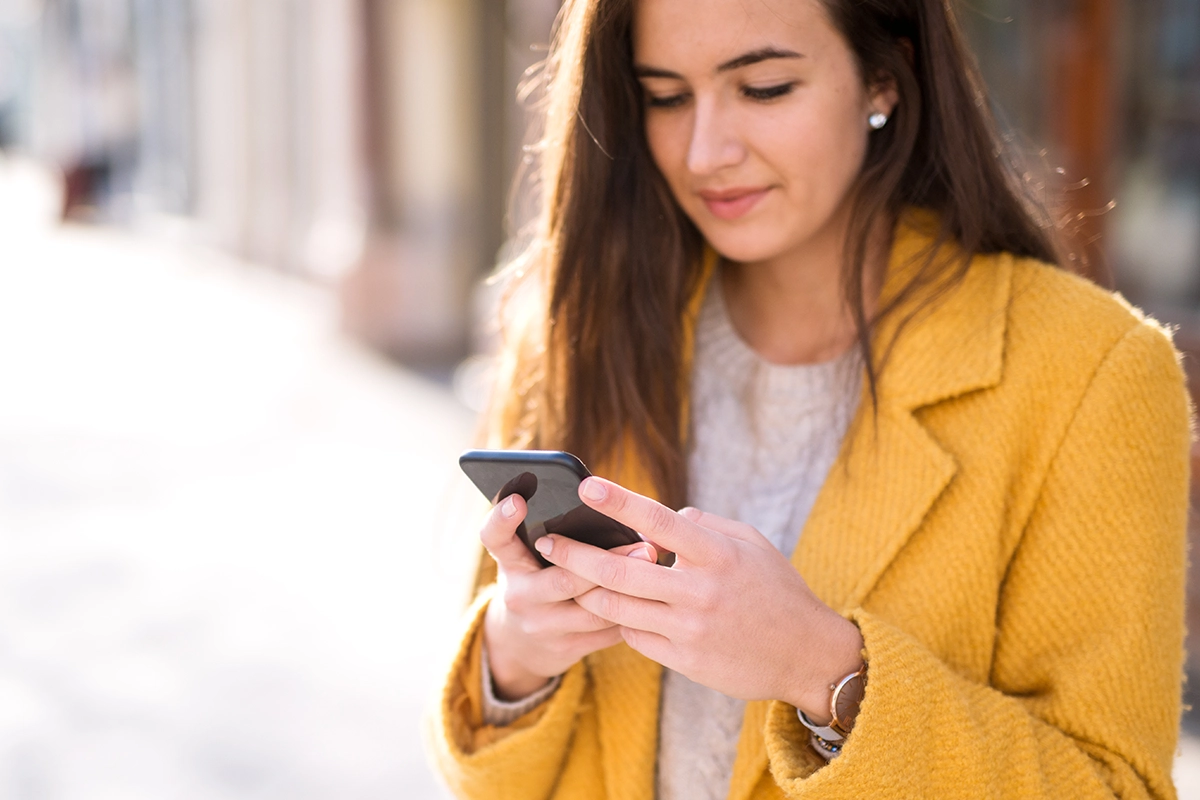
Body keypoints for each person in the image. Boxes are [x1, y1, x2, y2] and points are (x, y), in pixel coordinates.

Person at [426, 0, 1192, 797]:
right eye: (666, 96)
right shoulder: (572, 325)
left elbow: (1115, 786)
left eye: (763, 87)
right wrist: (514, 659)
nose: (705, 151)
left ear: (885, 77)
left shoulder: (1091, 371)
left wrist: (824, 671)